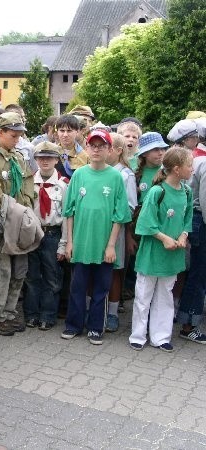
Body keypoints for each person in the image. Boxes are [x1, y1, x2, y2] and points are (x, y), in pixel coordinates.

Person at [61, 130, 131, 345]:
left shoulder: (116, 177)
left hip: (104, 246)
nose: (97, 149)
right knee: (77, 287)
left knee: (101, 289)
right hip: (81, 244)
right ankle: (74, 325)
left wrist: (111, 246)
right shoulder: (79, 175)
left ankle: (95, 327)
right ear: (87, 148)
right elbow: (69, 212)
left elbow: (120, 215)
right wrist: (70, 242)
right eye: (93, 145)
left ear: (110, 150)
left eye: (102, 146)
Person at [129, 146, 193, 352]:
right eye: (189, 165)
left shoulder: (187, 191)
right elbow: (146, 223)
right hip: (152, 253)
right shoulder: (158, 191)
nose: (192, 169)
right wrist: (164, 238)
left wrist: (183, 235)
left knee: (165, 295)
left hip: (172, 255)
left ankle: (161, 336)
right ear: (176, 169)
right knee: (143, 295)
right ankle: (138, 335)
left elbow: (188, 218)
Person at [0, 111, 35, 336]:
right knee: (2, 271)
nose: (17, 139)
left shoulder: (17, 157)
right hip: (3, 224)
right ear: (0, 132)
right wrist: (1, 223)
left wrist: (27, 216)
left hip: (20, 222)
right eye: (13, 135)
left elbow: (27, 187)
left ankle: (9, 312)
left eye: (19, 135)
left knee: (19, 271)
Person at [24, 141, 69, 331]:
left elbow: (67, 216)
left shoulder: (64, 185)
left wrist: (63, 244)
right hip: (33, 233)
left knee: (52, 277)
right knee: (32, 276)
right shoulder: (28, 183)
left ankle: (48, 315)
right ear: (35, 159)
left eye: (49, 158)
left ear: (57, 159)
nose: (45, 161)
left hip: (53, 234)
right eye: (41, 158)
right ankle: (31, 314)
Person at [177, 121, 206, 344]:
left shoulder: (193, 160)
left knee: (195, 274)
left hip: (195, 220)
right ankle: (189, 325)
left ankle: (187, 319)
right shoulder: (203, 162)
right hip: (201, 221)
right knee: (198, 275)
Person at [105, 132, 137, 332]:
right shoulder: (97, 171)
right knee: (95, 269)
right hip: (96, 229)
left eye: (108, 146)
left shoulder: (125, 175)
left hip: (116, 228)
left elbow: (130, 206)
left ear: (117, 151)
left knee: (115, 271)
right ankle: (96, 308)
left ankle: (113, 313)